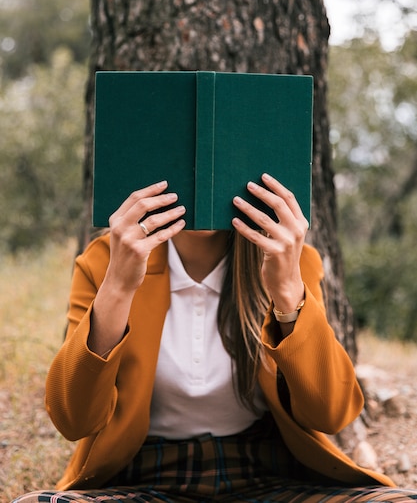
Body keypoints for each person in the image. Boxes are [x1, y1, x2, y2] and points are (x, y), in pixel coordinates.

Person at [12, 174, 417, 502]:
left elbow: (332, 413)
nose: (201, 178)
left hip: (268, 474)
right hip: (140, 479)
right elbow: (73, 419)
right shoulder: (105, 262)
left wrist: (289, 294)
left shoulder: (289, 262)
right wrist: (117, 288)